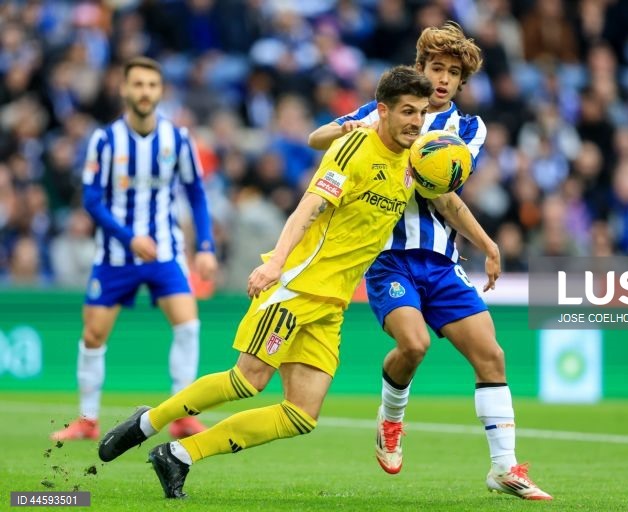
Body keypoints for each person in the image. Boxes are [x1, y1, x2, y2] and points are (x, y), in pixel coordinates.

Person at [96, 66, 438, 499]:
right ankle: (147, 422)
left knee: (301, 415)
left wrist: (485, 243)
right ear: (383, 111)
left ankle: (178, 455)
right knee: (247, 380)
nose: (416, 121)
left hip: (330, 304)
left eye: (422, 113)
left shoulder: (415, 160)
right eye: (408, 111)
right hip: (296, 287)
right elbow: (307, 208)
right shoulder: (355, 148)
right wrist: (276, 263)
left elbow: (447, 198)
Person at [307, 22, 552, 500]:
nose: (442, 79)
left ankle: (504, 468)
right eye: (435, 68)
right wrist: (351, 128)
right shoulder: (387, 110)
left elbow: (441, 190)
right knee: (414, 345)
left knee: (491, 355)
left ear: (462, 83)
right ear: (420, 69)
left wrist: (487, 244)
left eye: (453, 73)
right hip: (387, 258)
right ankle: (390, 420)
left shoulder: (468, 129)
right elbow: (318, 138)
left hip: (440, 262)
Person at [50, 57, 218, 442]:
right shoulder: (105, 140)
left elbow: (196, 194)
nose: (145, 92)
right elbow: (92, 200)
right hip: (115, 255)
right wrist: (129, 238)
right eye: (138, 85)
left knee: (188, 325)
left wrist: (205, 247)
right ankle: (87, 421)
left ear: (160, 91)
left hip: (165, 251)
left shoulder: (177, 139)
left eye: (152, 85)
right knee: (93, 336)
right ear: (124, 90)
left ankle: (181, 413)